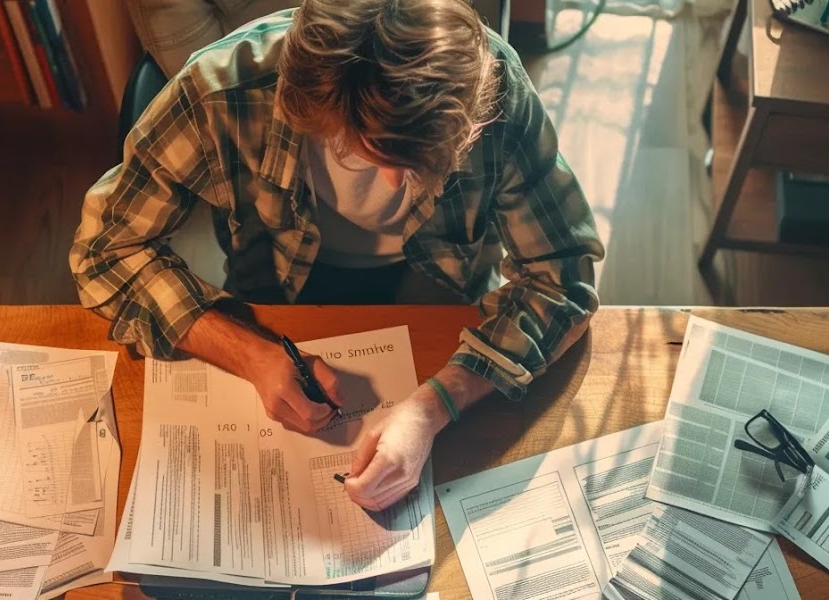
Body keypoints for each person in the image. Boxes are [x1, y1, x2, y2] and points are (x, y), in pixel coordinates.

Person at [70, 0, 602, 511]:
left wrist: (434, 405)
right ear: (311, 107)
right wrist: (250, 354)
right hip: (276, 300)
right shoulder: (226, 90)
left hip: (446, 302)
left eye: (427, 159)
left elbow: (562, 280)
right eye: (373, 153)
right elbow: (105, 252)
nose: (400, 186)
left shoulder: (493, 88)